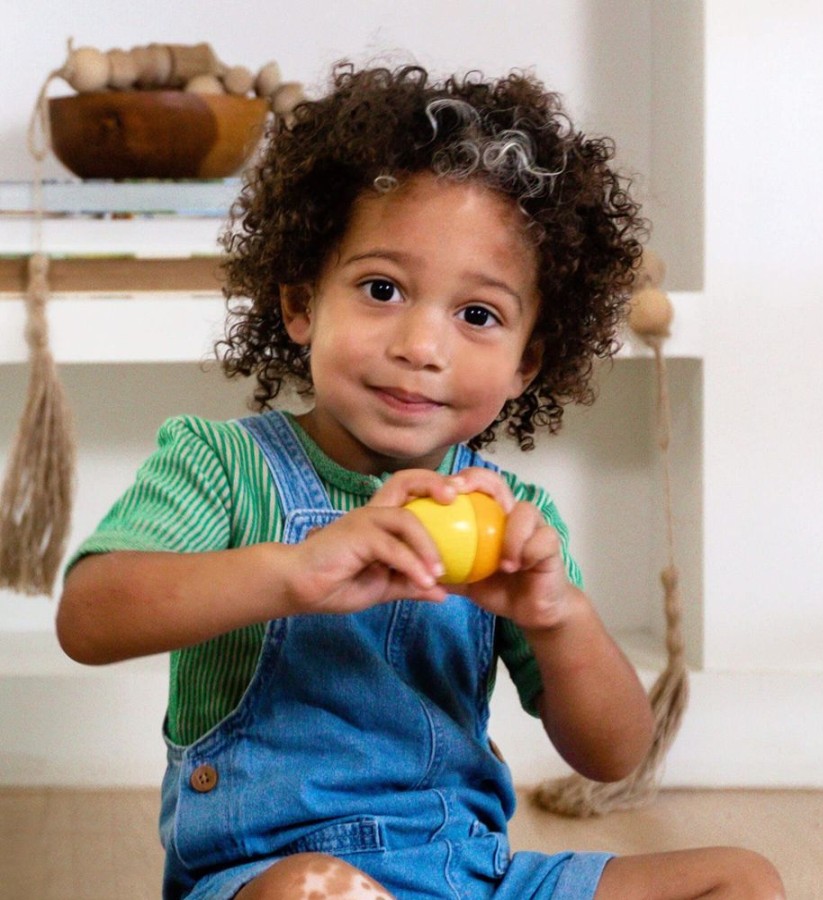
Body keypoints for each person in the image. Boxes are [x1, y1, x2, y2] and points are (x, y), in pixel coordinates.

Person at [57, 64, 785, 900]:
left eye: (477, 315)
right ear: (301, 305)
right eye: (381, 289)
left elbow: (614, 755)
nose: (421, 345)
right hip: (270, 875)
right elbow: (90, 616)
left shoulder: (513, 519)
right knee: (312, 891)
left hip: (473, 876)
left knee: (740, 879)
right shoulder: (221, 466)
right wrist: (294, 570)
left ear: (527, 363)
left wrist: (558, 618)